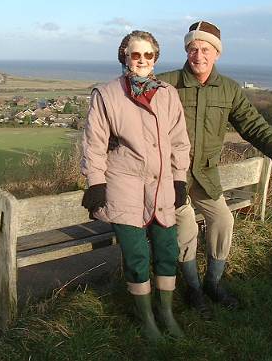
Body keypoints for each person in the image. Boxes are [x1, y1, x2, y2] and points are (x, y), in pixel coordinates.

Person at [156, 21, 272, 318]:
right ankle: (193, 289)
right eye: (193, 48)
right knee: (186, 228)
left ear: (216, 53)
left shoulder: (228, 90)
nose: (199, 55)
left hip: (205, 175)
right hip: (172, 178)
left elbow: (252, 125)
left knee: (223, 221)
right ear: (186, 51)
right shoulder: (166, 84)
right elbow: (132, 100)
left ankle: (213, 283)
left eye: (206, 49)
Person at [80, 30, 191, 340]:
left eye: (148, 55)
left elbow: (180, 142)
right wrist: (96, 183)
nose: (142, 60)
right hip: (123, 186)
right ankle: (147, 320)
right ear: (124, 57)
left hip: (163, 188)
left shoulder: (168, 93)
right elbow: (94, 144)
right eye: (135, 54)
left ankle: (166, 312)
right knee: (137, 255)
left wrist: (179, 178)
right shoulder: (106, 95)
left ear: (155, 59)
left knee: (167, 250)